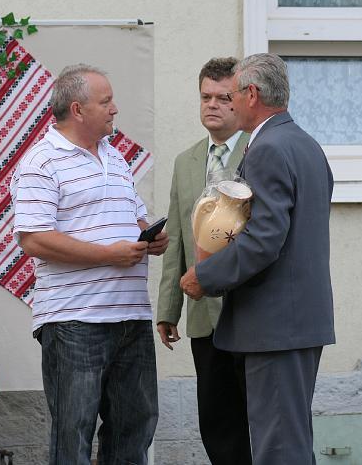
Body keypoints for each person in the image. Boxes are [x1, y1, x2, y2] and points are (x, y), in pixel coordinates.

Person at [180, 53, 335, 464]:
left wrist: (204, 276)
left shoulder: (268, 148)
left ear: (251, 94)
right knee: (290, 444)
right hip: (298, 322)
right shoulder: (306, 144)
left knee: (278, 450)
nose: (227, 103)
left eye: (231, 95)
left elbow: (264, 240)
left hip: (274, 325)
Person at [11, 64, 169, 465]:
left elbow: (134, 219)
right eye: (106, 101)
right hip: (74, 321)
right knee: (73, 433)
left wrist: (150, 237)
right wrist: (107, 255)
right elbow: (34, 239)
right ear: (78, 110)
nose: (115, 108)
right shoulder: (41, 162)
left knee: (135, 428)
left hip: (131, 316)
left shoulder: (115, 157)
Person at [155, 57, 252, 465]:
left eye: (223, 97)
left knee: (258, 421)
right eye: (205, 97)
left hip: (249, 311)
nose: (212, 105)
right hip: (202, 316)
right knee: (216, 421)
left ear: (242, 99)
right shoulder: (186, 161)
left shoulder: (259, 149)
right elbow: (177, 237)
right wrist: (168, 309)